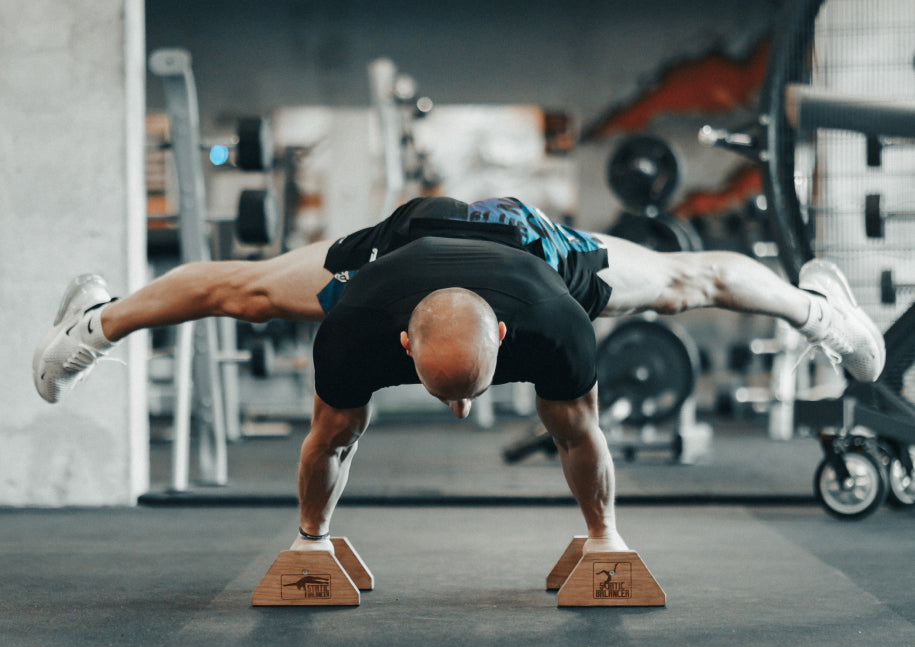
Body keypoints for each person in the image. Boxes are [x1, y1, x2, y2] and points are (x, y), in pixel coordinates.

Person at [33, 196, 886, 557]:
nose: (460, 412)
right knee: (245, 291)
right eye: (451, 395)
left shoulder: (556, 318)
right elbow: (329, 439)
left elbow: (579, 436)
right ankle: (94, 322)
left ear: (506, 341)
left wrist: (604, 538)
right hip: (401, 242)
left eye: (469, 394)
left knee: (683, 282)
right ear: (401, 344)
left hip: (531, 245)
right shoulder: (355, 317)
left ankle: (822, 311)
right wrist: (309, 540)